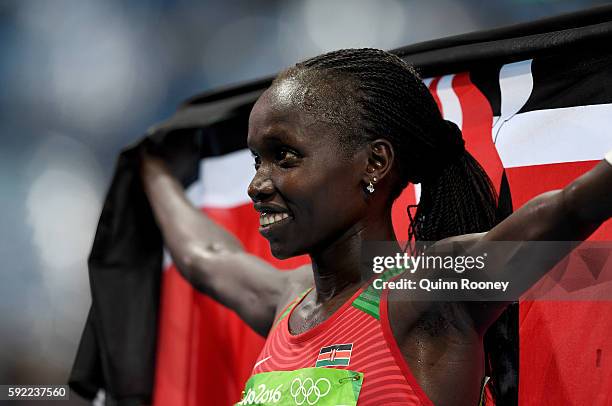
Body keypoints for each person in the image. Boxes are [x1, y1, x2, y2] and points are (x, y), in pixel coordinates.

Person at [140, 48, 612, 405]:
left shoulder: (428, 293)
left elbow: (570, 208)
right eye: (257, 160)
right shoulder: (288, 301)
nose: (257, 185)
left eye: (284, 156)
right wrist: (148, 165)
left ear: (374, 163)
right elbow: (205, 258)